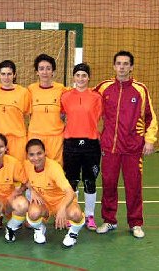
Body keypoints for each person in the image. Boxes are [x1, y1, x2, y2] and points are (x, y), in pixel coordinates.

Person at [94, 51, 158, 238]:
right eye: (118, 63)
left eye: (125, 64)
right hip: (109, 148)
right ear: (114, 66)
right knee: (108, 184)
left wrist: (149, 139)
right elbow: (87, 105)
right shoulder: (103, 87)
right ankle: (109, 220)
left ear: (131, 67)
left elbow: (150, 117)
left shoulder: (140, 89)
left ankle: (135, 223)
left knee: (134, 186)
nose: (122, 67)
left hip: (132, 148)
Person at [60, 63, 102, 230]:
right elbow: (62, 115)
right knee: (72, 181)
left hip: (91, 144)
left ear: (88, 77)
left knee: (89, 181)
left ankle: (90, 215)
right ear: (74, 77)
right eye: (78, 75)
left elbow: (99, 117)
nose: (81, 78)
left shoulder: (96, 97)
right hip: (71, 144)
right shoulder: (65, 96)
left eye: (84, 75)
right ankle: (73, 213)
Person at [25, 139, 85, 247]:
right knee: (33, 212)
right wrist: (32, 190)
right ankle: (39, 229)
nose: (36, 158)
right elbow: (23, 180)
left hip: (60, 201)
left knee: (75, 214)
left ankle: (73, 234)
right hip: (44, 203)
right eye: (32, 155)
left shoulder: (54, 168)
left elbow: (70, 192)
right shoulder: (26, 166)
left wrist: (62, 208)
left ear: (45, 152)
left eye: (39, 153)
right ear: (27, 156)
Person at [27, 54, 66, 165]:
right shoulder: (30, 89)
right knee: (35, 168)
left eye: (48, 69)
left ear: (53, 71)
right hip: (35, 136)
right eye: (41, 69)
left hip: (55, 137)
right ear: (37, 72)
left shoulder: (62, 89)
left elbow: (64, 113)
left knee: (55, 169)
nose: (45, 72)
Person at [0, 60, 30, 162]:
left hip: (17, 140)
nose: (6, 77)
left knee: (18, 171)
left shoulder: (24, 92)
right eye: (3, 74)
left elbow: (27, 115)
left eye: (9, 74)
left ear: (14, 75)